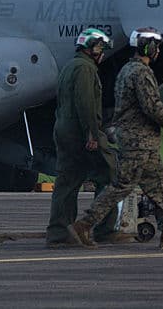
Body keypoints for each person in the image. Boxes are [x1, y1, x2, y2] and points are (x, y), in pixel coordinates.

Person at [68, 28, 163, 251]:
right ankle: (84, 224)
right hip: (139, 142)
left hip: (140, 141)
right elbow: (150, 106)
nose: (158, 51)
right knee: (123, 186)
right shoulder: (141, 73)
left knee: (160, 185)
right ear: (149, 47)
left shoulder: (127, 69)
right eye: (156, 46)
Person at [45, 28, 133, 247]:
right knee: (110, 174)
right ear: (92, 48)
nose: (102, 53)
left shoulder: (69, 66)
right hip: (81, 133)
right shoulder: (85, 69)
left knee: (67, 181)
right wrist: (92, 133)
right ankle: (104, 229)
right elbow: (85, 104)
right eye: (101, 48)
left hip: (64, 130)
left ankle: (59, 233)